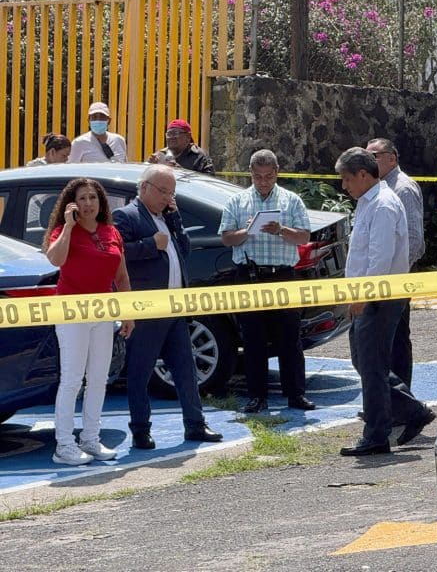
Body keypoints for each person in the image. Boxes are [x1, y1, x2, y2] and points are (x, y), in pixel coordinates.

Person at [113, 165, 223, 450]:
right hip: (147, 310)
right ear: (144, 187)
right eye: (163, 191)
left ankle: (195, 424)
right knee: (140, 373)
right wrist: (150, 245)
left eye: (171, 193)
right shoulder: (126, 216)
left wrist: (175, 220)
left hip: (174, 308)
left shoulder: (166, 218)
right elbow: (117, 254)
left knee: (186, 369)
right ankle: (140, 429)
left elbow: (183, 250)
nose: (167, 198)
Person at [336, 147, 435, 456]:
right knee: (365, 362)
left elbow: (379, 259)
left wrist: (363, 298)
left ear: (363, 175)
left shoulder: (382, 205)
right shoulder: (369, 201)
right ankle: (412, 411)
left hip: (379, 297)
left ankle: (377, 434)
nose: (344, 186)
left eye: (347, 179)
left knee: (372, 366)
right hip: (371, 296)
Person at [43, 178, 134, 465]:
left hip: (103, 313)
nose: (88, 203)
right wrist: (68, 227)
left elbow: (121, 277)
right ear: (72, 203)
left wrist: (128, 312)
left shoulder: (111, 231)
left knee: (98, 379)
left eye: (92, 197)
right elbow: (55, 260)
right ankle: (64, 445)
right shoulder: (63, 230)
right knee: (72, 380)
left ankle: (90, 438)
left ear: (100, 201)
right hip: (71, 313)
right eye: (82, 198)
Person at [218, 149, 316, 414]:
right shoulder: (237, 201)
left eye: (268, 177)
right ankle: (256, 396)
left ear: (277, 173)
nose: (263, 182)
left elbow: (304, 236)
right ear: (250, 174)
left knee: (290, 338)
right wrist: (247, 231)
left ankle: (296, 394)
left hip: (282, 275)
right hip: (249, 275)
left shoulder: (291, 200)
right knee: (253, 339)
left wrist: (281, 230)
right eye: (258, 177)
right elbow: (226, 238)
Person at [366, 137, 424, 390]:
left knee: (397, 338)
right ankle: (389, 396)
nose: (369, 161)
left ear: (392, 158)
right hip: (384, 276)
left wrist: (397, 275)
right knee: (382, 339)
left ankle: (402, 398)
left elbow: (413, 238)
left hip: (396, 278)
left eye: (374, 156)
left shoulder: (403, 188)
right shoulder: (378, 188)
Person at [147, 118, 215, 174]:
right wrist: (149, 167)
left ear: (188, 136)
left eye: (175, 133)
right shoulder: (160, 155)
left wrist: (180, 171)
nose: (171, 137)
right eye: (169, 134)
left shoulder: (200, 157)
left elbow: (209, 182)